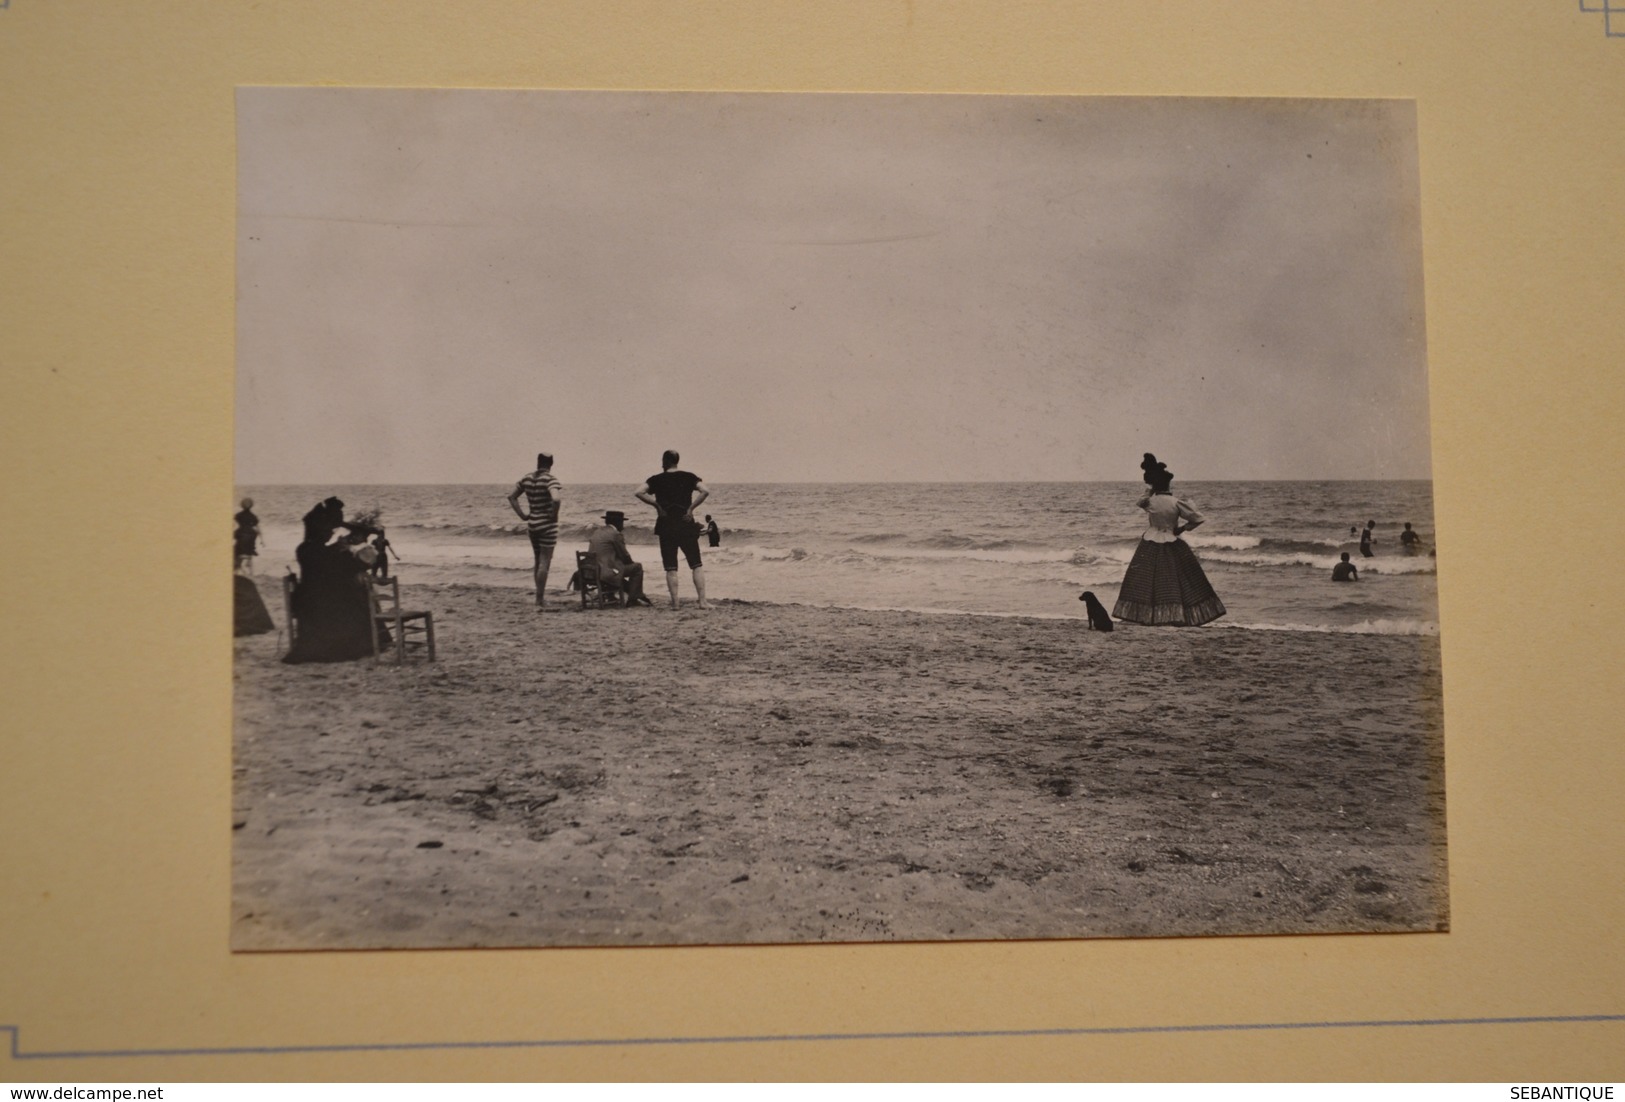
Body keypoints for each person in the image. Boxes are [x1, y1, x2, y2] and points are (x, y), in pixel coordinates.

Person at [1111, 454, 1226, 626]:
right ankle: (1176, 616)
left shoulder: (1151, 501)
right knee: (1177, 580)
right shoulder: (1176, 502)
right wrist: (1181, 529)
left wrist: (1150, 489)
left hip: (1150, 541)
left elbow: (1140, 502)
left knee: (1146, 580)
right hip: (1171, 540)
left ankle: (1146, 617)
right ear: (1167, 484)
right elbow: (1198, 518)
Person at [282, 497, 386, 663]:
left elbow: (329, 566)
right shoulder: (320, 551)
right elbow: (345, 568)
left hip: (307, 598)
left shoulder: (305, 548)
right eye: (328, 530)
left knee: (354, 597)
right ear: (319, 531)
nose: (331, 533)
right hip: (320, 601)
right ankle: (362, 643)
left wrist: (338, 548)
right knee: (359, 600)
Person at [636, 449, 710, 609]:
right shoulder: (689, 476)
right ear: (677, 461)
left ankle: (675, 604)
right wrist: (690, 509)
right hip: (685, 524)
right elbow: (705, 491)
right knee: (696, 564)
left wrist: (657, 505)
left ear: (664, 461)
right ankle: (702, 602)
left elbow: (639, 492)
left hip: (666, 525)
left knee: (671, 567)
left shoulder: (656, 479)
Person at [508, 452, 562, 610]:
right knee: (545, 562)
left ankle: (539, 597)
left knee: (538, 561)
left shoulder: (527, 478)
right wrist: (554, 515)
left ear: (538, 462)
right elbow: (556, 499)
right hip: (547, 525)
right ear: (551, 464)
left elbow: (512, 497)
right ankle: (540, 600)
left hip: (532, 524)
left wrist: (523, 516)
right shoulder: (551, 480)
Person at [587, 510, 651, 607]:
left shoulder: (597, 532)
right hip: (605, 572)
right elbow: (624, 555)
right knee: (637, 568)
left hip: (591, 570)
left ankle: (619, 594)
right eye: (622, 523)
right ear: (617, 523)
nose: (623, 526)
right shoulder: (615, 534)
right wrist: (630, 563)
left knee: (617, 568)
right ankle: (633, 598)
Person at [234, 498, 261, 573]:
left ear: (241, 506)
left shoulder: (238, 515)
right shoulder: (253, 516)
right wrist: (262, 540)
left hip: (241, 532)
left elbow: (234, 524)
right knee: (250, 547)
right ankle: (249, 561)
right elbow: (257, 528)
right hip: (251, 534)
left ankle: (237, 568)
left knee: (236, 550)